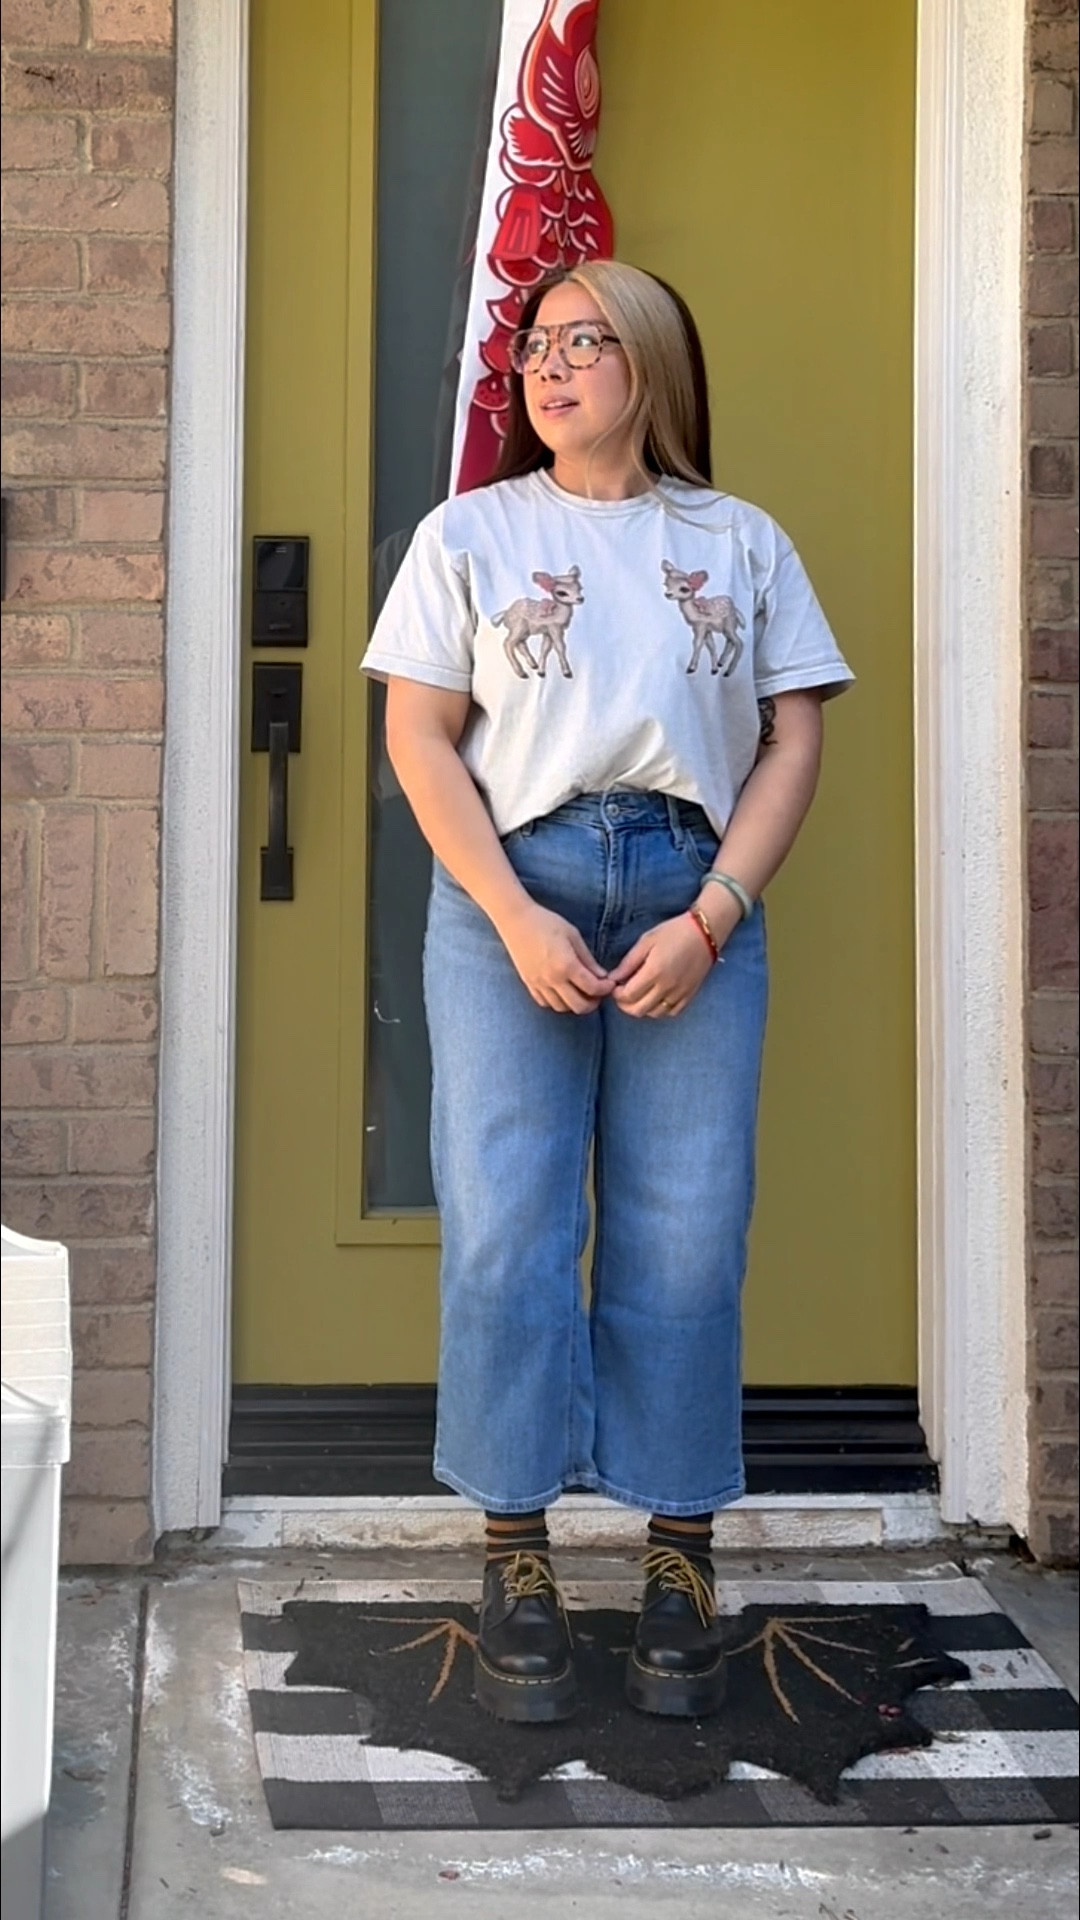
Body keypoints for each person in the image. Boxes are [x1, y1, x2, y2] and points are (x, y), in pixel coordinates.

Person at [361, 260, 853, 1724]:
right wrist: (514, 915)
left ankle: (679, 1556)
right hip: (514, 886)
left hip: (694, 892)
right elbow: (421, 737)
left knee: (687, 1229)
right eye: (535, 345)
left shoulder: (740, 540)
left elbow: (792, 739)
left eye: (582, 342)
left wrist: (717, 915)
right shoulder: (470, 534)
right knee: (508, 1224)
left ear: (649, 361)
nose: (548, 365)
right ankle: (514, 1549)